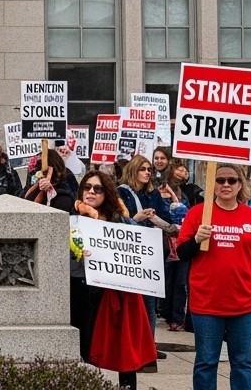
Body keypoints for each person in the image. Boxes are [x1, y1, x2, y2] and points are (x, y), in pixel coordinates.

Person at [175, 163, 251, 390]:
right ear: (212, 185)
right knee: (206, 362)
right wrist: (196, 240)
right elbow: (181, 254)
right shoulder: (198, 214)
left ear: (241, 185)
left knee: (242, 363)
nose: (226, 185)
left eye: (232, 180)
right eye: (220, 180)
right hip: (206, 304)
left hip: (245, 305)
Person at [70, 170, 155, 389]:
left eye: (97, 188)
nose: (90, 192)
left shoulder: (122, 222)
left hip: (115, 292)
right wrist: (76, 252)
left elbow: (144, 247)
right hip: (81, 288)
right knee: (85, 349)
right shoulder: (72, 220)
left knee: (123, 350)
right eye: (86, 187)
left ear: (106, 193)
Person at [118, 154, 175, 344]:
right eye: (142, 169)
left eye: (149, 170)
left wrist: (156, 216)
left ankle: (148, 345)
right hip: (131, 251)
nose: (147, 173)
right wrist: (137, 218)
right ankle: (133, 345)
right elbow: (118, 221)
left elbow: (167, 218)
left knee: (150, 302)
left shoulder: (154, 193)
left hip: (151, 252)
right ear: (133, 170)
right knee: (134, 302)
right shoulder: (122, 192)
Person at [159, 158, 202, 331]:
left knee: (180, 282)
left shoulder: (186, 192)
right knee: (169, 281)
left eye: (185, 170)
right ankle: (169, 313)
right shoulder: (161, 190)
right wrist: (171, 226)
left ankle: (176, 316)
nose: (183, 173)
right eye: (179, 170)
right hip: (167, 241)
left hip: (182, 241)